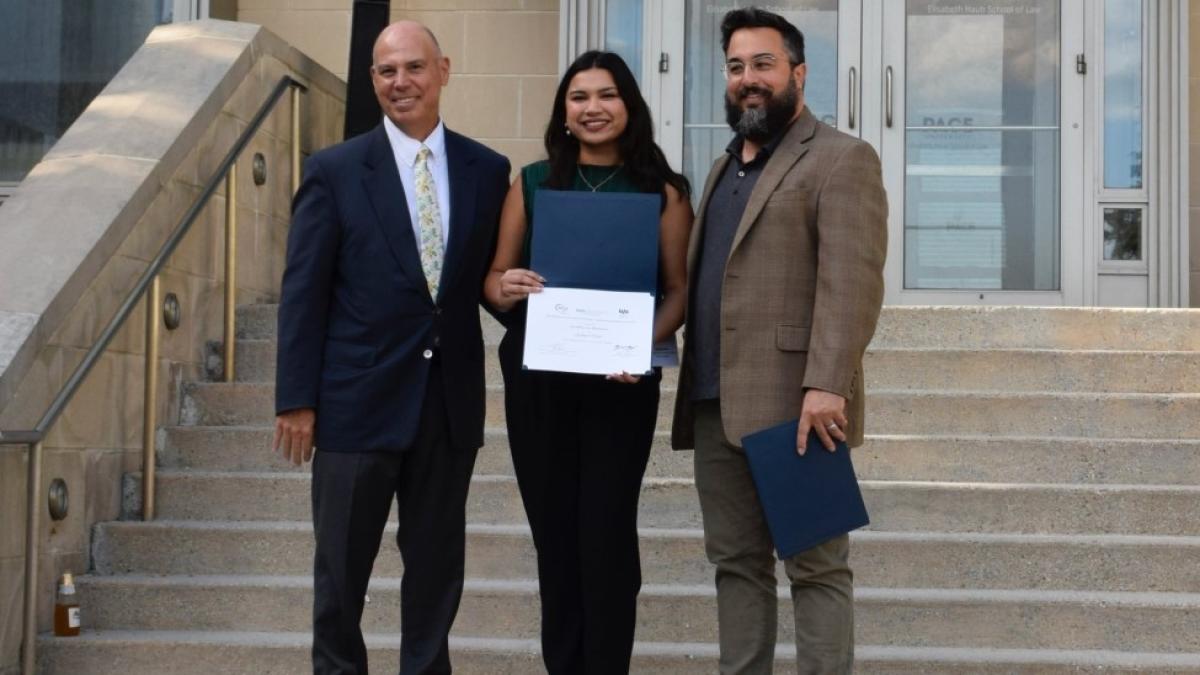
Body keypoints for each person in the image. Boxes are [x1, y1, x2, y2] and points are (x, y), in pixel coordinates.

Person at [271, 20, 510, 675]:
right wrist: (296, 399)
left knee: (436, 574)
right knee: (341, 577)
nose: (400, 82)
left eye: (413, 67)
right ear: (373, 80)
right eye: (385, 71)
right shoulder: (335, 171)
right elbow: (303, 294)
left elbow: (482, 282)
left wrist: (518, 298)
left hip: (447, 408)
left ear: (443, 70)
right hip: (355, 407)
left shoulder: (488, 171)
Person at [670, 7, 887, 674]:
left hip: (799, 406)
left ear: (798, 71)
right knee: (735, 565)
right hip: (714, 403)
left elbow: (852, 283)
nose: (748, 79)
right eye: (736, 67)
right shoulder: (720, 169)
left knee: (817, 568)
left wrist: (828, 383)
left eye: (762, 64)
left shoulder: (841, 157)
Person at [482, 51, 693, 674]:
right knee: (556, 537)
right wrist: (508, 285)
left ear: (630, 106)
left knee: (605, 536)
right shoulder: (535, 181)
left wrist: (635, 347)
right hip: (539, 380)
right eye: (579, 97)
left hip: (620, 384)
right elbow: (493, 280)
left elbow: (678, 291)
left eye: (607, 95)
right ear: (564, 112)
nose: (593, 108)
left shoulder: (664, 191)